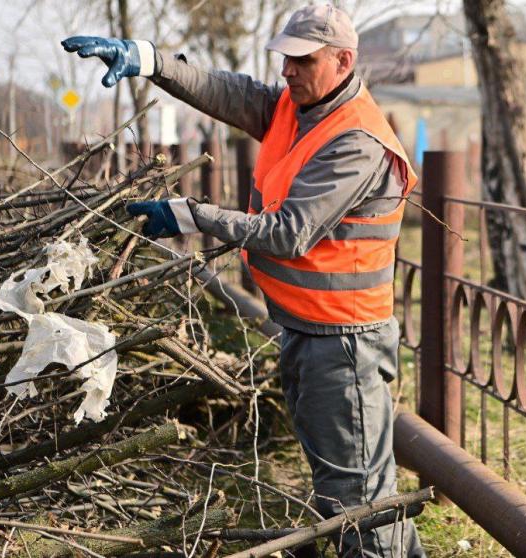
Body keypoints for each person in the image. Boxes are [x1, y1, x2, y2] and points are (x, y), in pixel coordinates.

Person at [62, 5, 425, 558]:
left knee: (361, 504)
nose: (287, 72)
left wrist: (190, 215)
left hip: (345, 344)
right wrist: (150, 61)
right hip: (308, 331)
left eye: (302, 61)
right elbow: (225, 91)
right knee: (345, 491)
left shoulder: (358, 141)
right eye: (284, 59)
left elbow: (288, 233)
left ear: (343, 61)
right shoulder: (296, 107)